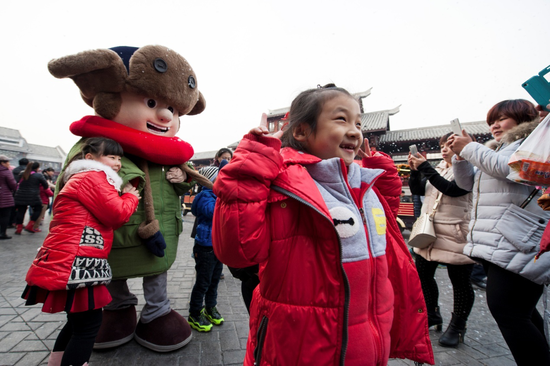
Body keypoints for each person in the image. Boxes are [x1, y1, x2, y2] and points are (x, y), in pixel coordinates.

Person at [212, 84, 434, 365]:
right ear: (302, 131)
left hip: (370, 345)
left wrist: (384, 170)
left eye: (358, 122)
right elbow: (238, 251)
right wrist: (250, 167)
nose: (354, 130)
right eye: (341, 119)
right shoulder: (283, 186)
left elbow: (385, 222)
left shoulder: (362, 186)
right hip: (301, 347)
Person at [448, 99, 550, 365]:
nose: (494, 124)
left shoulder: (533, 142)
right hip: (500, 238)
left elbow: (509, 170)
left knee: (509, 313)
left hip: (518, 238)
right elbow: (466, 182)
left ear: (523, 117)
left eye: (502, 118)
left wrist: (470, 147)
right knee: (518, 313)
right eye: (492, 120)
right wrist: (461, 156)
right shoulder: (498, 147)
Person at [21, 137, 140, 366]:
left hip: (68, 256)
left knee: (76, 323)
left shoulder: (78, 178)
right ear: (90, 158)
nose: (117, 163)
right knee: (88, 327)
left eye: (118, 158)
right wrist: (130, 196)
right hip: (79, 261)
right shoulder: (93, 177)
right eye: (111, 157)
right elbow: (116, 215)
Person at [408, 133, 475, 347]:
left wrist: (425, 167)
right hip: (430, 232)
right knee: (424, 275)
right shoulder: (438, 168)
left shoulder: (468, 169)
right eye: (442, 145)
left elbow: (452, 190)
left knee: (460, 282)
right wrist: (414, 172)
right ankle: (432, 313)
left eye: (449, 145)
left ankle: (458, 325)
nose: (444, 149)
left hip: (455, 232)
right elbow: (419, 190)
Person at [188, 166, 225, 332]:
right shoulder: (205, 196)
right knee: (203, 282)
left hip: (217, 245)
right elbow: (213, 212)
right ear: (210, 181)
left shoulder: (216, 195)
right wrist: (224, 199)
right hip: (205, 246)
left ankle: (210, 307)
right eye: (219, 178)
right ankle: (195, 313)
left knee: (214, 280)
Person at [13, 162, 48, 234]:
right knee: (38, 209)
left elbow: (17, 182)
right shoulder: (38, 175)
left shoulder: (22, 173)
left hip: (20, 195)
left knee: (21, 211)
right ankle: (30, 225)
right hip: (33, 196)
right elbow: (46, 186)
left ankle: (18, 228)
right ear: (37, 168)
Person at [8, 157, 29, 228]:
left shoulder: (14, 170)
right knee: (22, 209)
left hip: (13, 191)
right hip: (23, 193)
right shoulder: (27, 171)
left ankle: (11, 222)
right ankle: (18, 223)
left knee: (13, 208)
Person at [0, 155, 17, 239]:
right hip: (4, 197)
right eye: (7, 162)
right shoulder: (6, 172)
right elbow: (13, 184)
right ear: (2, 163)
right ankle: (2, 233)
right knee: (4, 216)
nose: (9, 164)